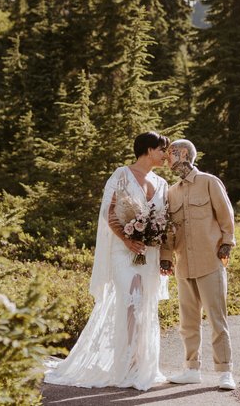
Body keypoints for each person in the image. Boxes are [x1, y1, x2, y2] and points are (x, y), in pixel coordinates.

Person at [43, 132, 170, 391]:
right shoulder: (121, 175)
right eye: (162, 150)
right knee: (130, 302)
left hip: (148, 252)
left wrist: (152, 236)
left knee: (145, 304)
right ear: (148, 150)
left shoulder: (162, 183)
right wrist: (127, 239)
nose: (165, 155)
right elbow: (110, 213)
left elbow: (163, 218)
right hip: (124, 251)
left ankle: (141, 363)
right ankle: (125, 364)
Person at [160, 139, 237, 390]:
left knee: (217, 319)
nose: (167, 159)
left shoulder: (209, 182)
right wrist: (166, 256)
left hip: (210, 262)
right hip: (184, 265)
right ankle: (191, 368)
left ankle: (225, 371)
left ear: (183, 154)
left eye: (171, 154)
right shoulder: (171, 192)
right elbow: (169, 231)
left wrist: (227, 243)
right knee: (188, 322)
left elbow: (226, 216)